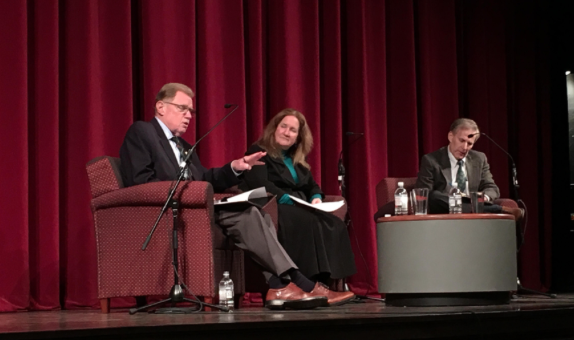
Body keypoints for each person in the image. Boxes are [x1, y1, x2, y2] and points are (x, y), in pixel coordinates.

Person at [120, 83, 341, 309]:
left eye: (191, 111)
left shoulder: (185, 146)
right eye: (182, 108)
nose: (188, 116)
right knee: (249, 216)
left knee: (254, 214)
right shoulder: (142, 132)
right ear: (161, 107)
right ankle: (299, 281)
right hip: (171, 209)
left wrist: (237, 166)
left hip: (200, 206)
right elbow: (141, 182)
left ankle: (278, 286)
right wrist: (188, 194)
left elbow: (205, 177)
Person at [240, 108, 356, 306]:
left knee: (333, 223)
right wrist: (288, 199)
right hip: (275, 204)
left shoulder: (297, 159)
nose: (286, 132)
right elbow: (259, 183)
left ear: (298, 137)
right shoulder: (257, 150)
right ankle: (307, 283)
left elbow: (312, 185)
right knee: (307, 221)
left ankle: (329, 284)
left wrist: (317, 198)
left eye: (292, 130)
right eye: (283, 127)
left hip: (299, 204)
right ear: (274, 129)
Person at [414, 118, 523, 220]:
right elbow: (424, 193)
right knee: (433, 196)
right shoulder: (431, 160)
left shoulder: (479, 159)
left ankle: (472, 206)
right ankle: (498, 210)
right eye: (462, 140)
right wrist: (459, 201)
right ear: (450, 136)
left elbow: (491, 188)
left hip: (474, 210)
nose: (465, 147)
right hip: (446, 209)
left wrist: (483, 198)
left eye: (470, 143)